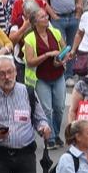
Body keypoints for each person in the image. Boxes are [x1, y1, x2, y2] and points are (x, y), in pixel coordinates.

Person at [22, 9, 69, 149]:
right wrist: (47, 55)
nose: (47, 17)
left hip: (58, 74)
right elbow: (30, 61)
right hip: (41, 77)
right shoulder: (29, 38)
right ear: (35, 22)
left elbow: (64, 49)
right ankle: (51, 138)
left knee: (60, 107)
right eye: (43, 16)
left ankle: (55, 132)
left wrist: (61, 60)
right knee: (47, 109)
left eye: (46, 15)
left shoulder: (55, 32)